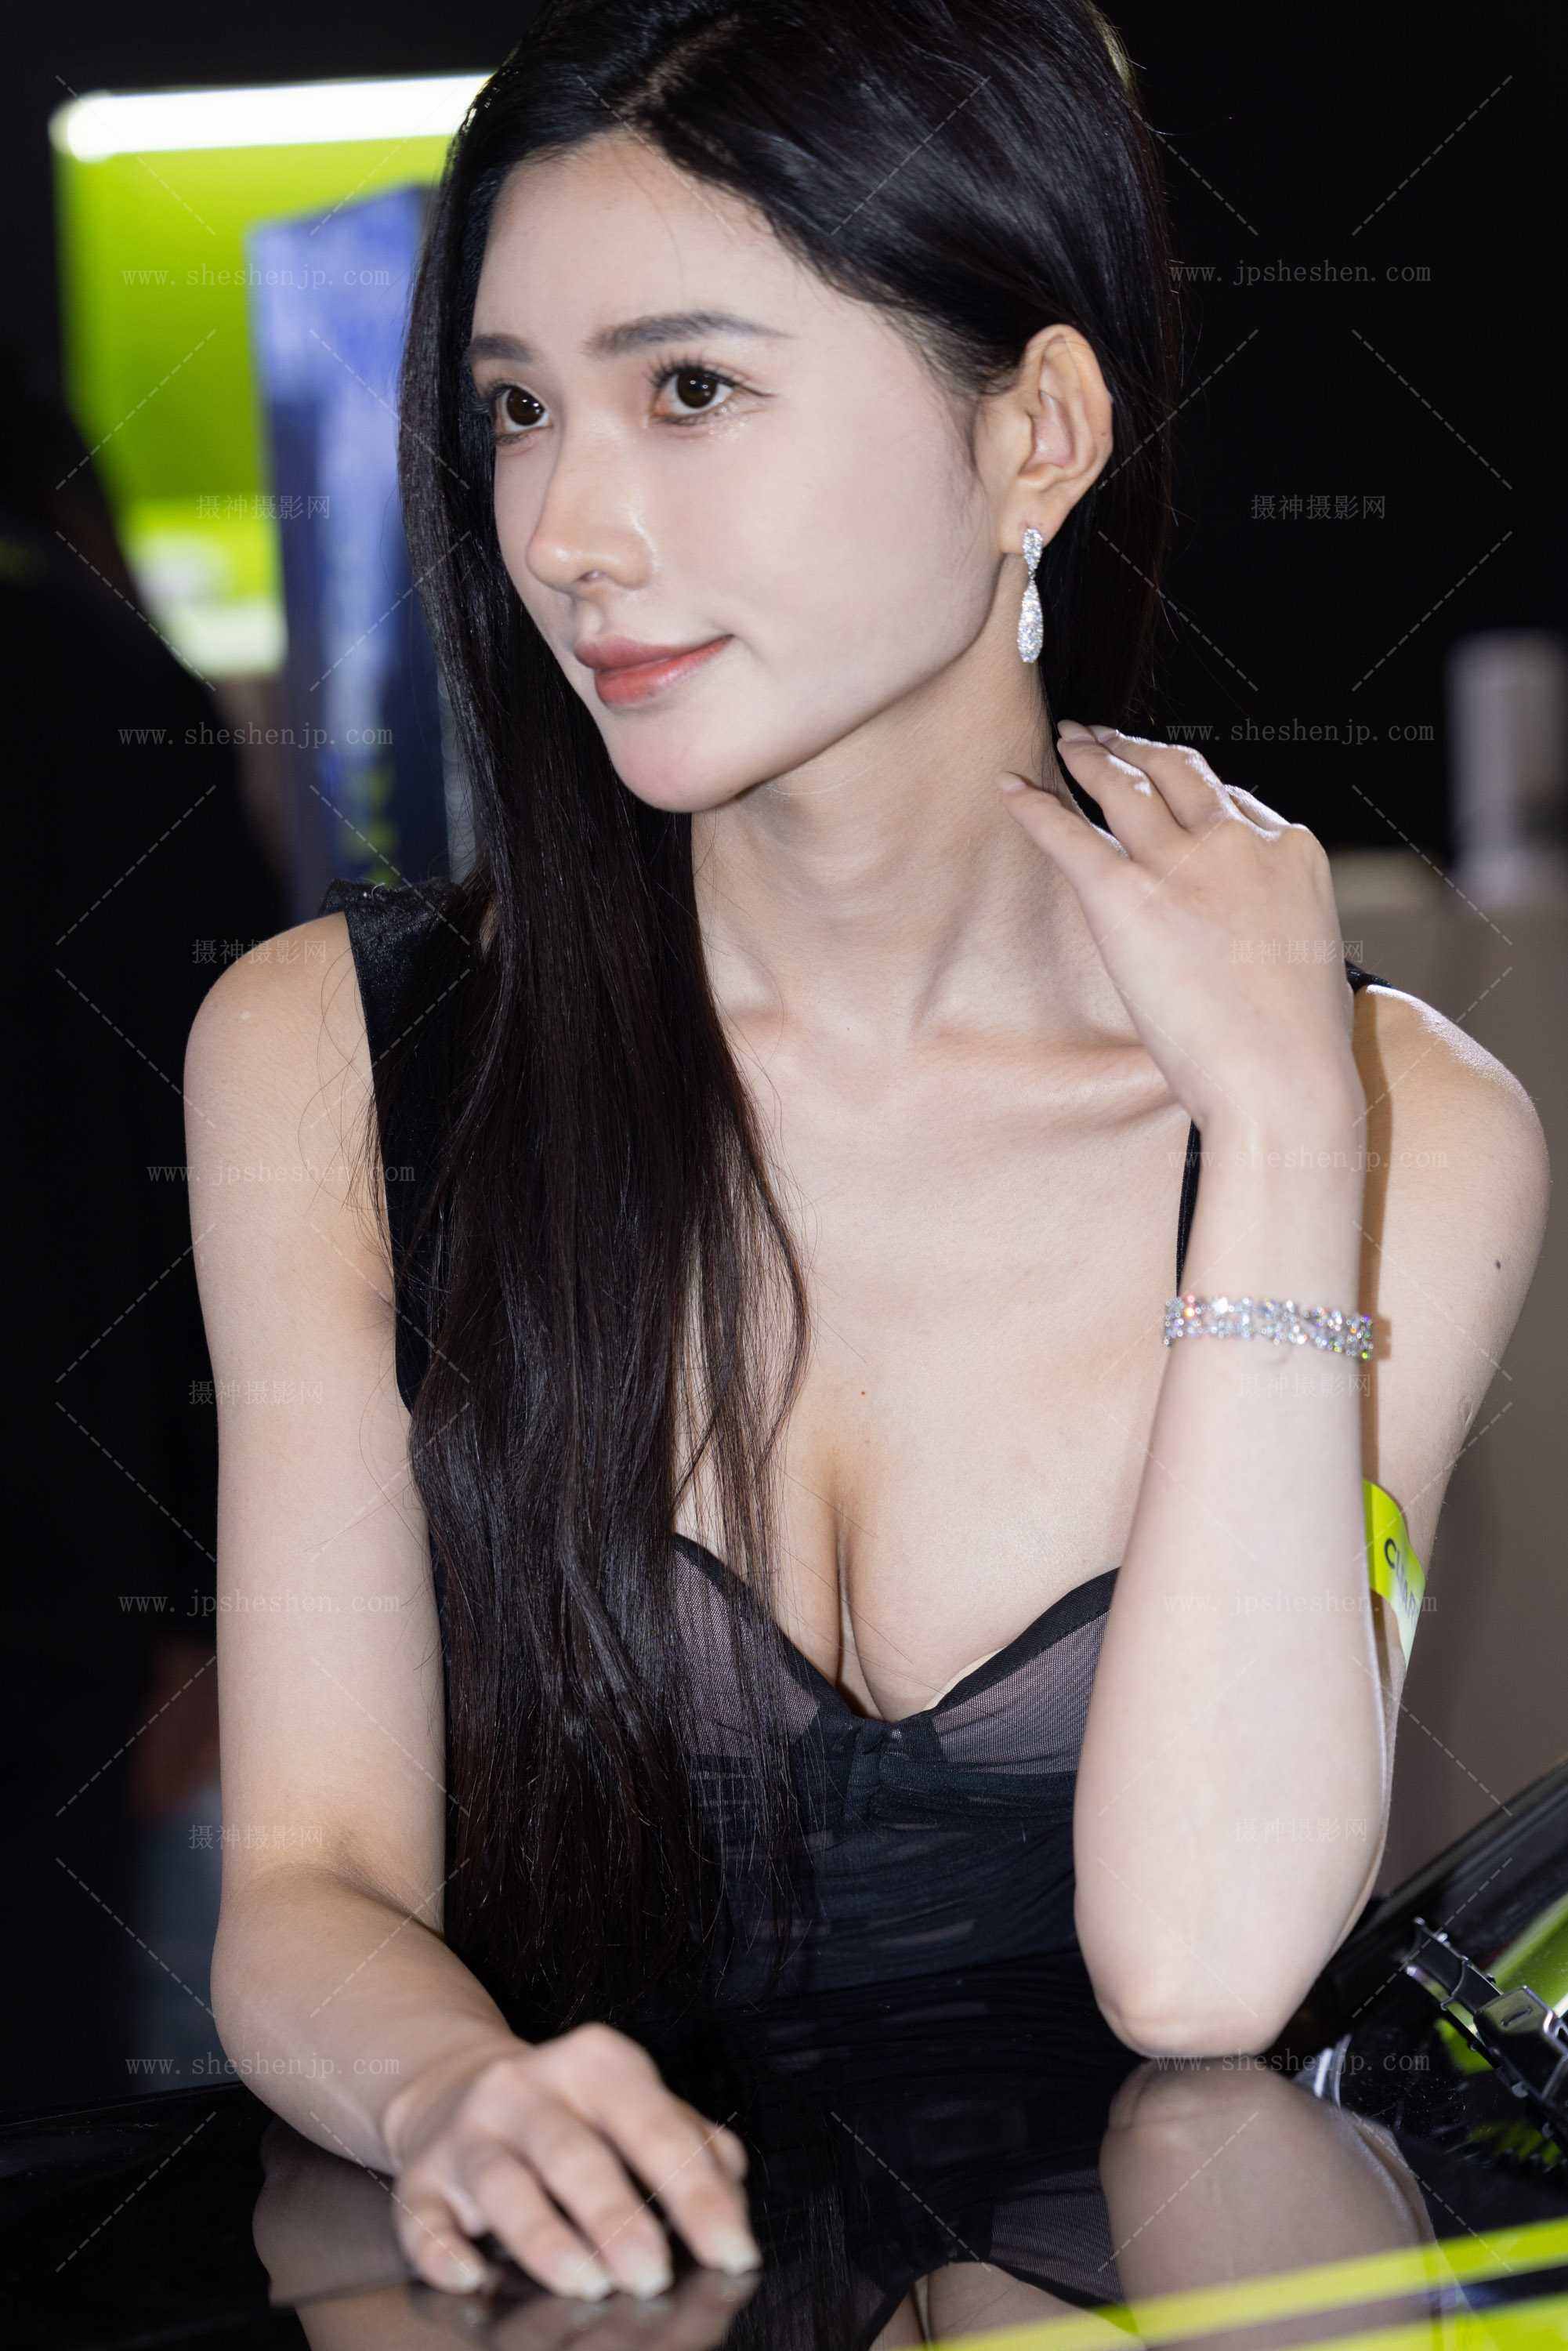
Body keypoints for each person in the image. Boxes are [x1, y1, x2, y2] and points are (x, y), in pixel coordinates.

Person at [183, 0, 1550, 2330]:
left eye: (690, 391)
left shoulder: (1394, 1125)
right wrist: (452, 2091)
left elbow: (1204, 1964)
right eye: (516, 409)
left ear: (1034, 435)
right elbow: (309, 1878)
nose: (567, 531)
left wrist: (1277, 1131)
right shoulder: (339, 1057)